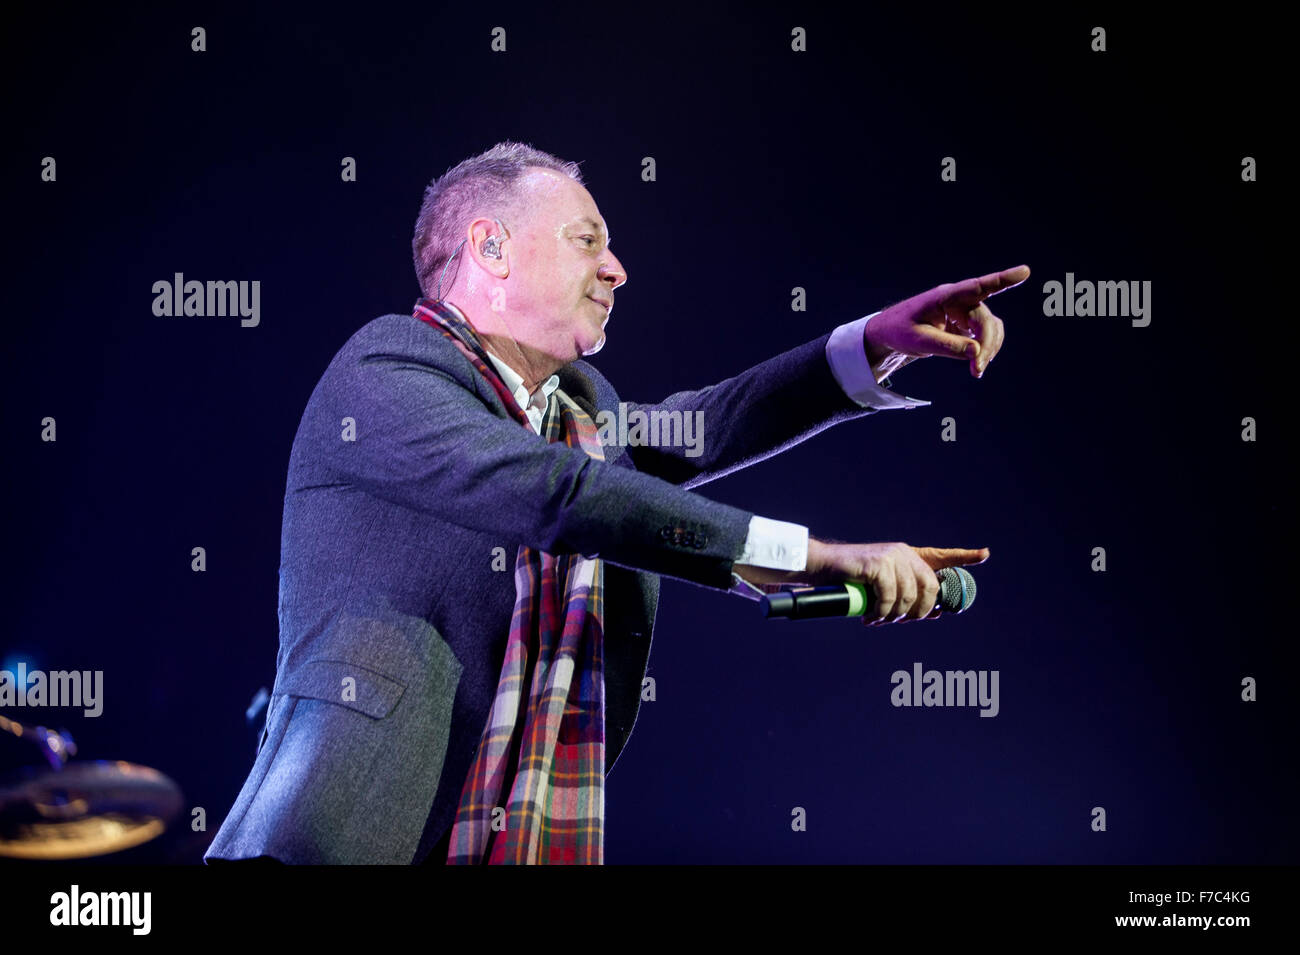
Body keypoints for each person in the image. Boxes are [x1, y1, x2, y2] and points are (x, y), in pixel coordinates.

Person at [203, 141, 1029, 865]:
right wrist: (813, 556)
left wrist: (877, 343)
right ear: (490, 247)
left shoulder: (579, 412)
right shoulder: (385, 369)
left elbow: (709, 425)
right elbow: (563, 496)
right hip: (337, 836)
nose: (616, 268)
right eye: (587, 239)